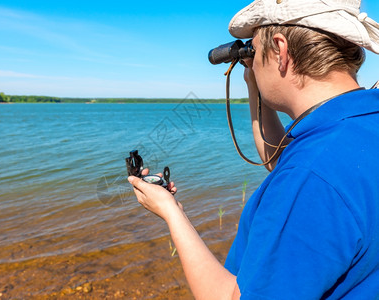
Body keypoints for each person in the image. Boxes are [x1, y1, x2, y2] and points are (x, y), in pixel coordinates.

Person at [128, 0, 379, 299]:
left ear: (281, 50)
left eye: (256, 50)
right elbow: (281, 160)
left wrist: (172, 213)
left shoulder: (310, 179)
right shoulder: (356, 123)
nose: (253, 60)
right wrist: (253, 82)